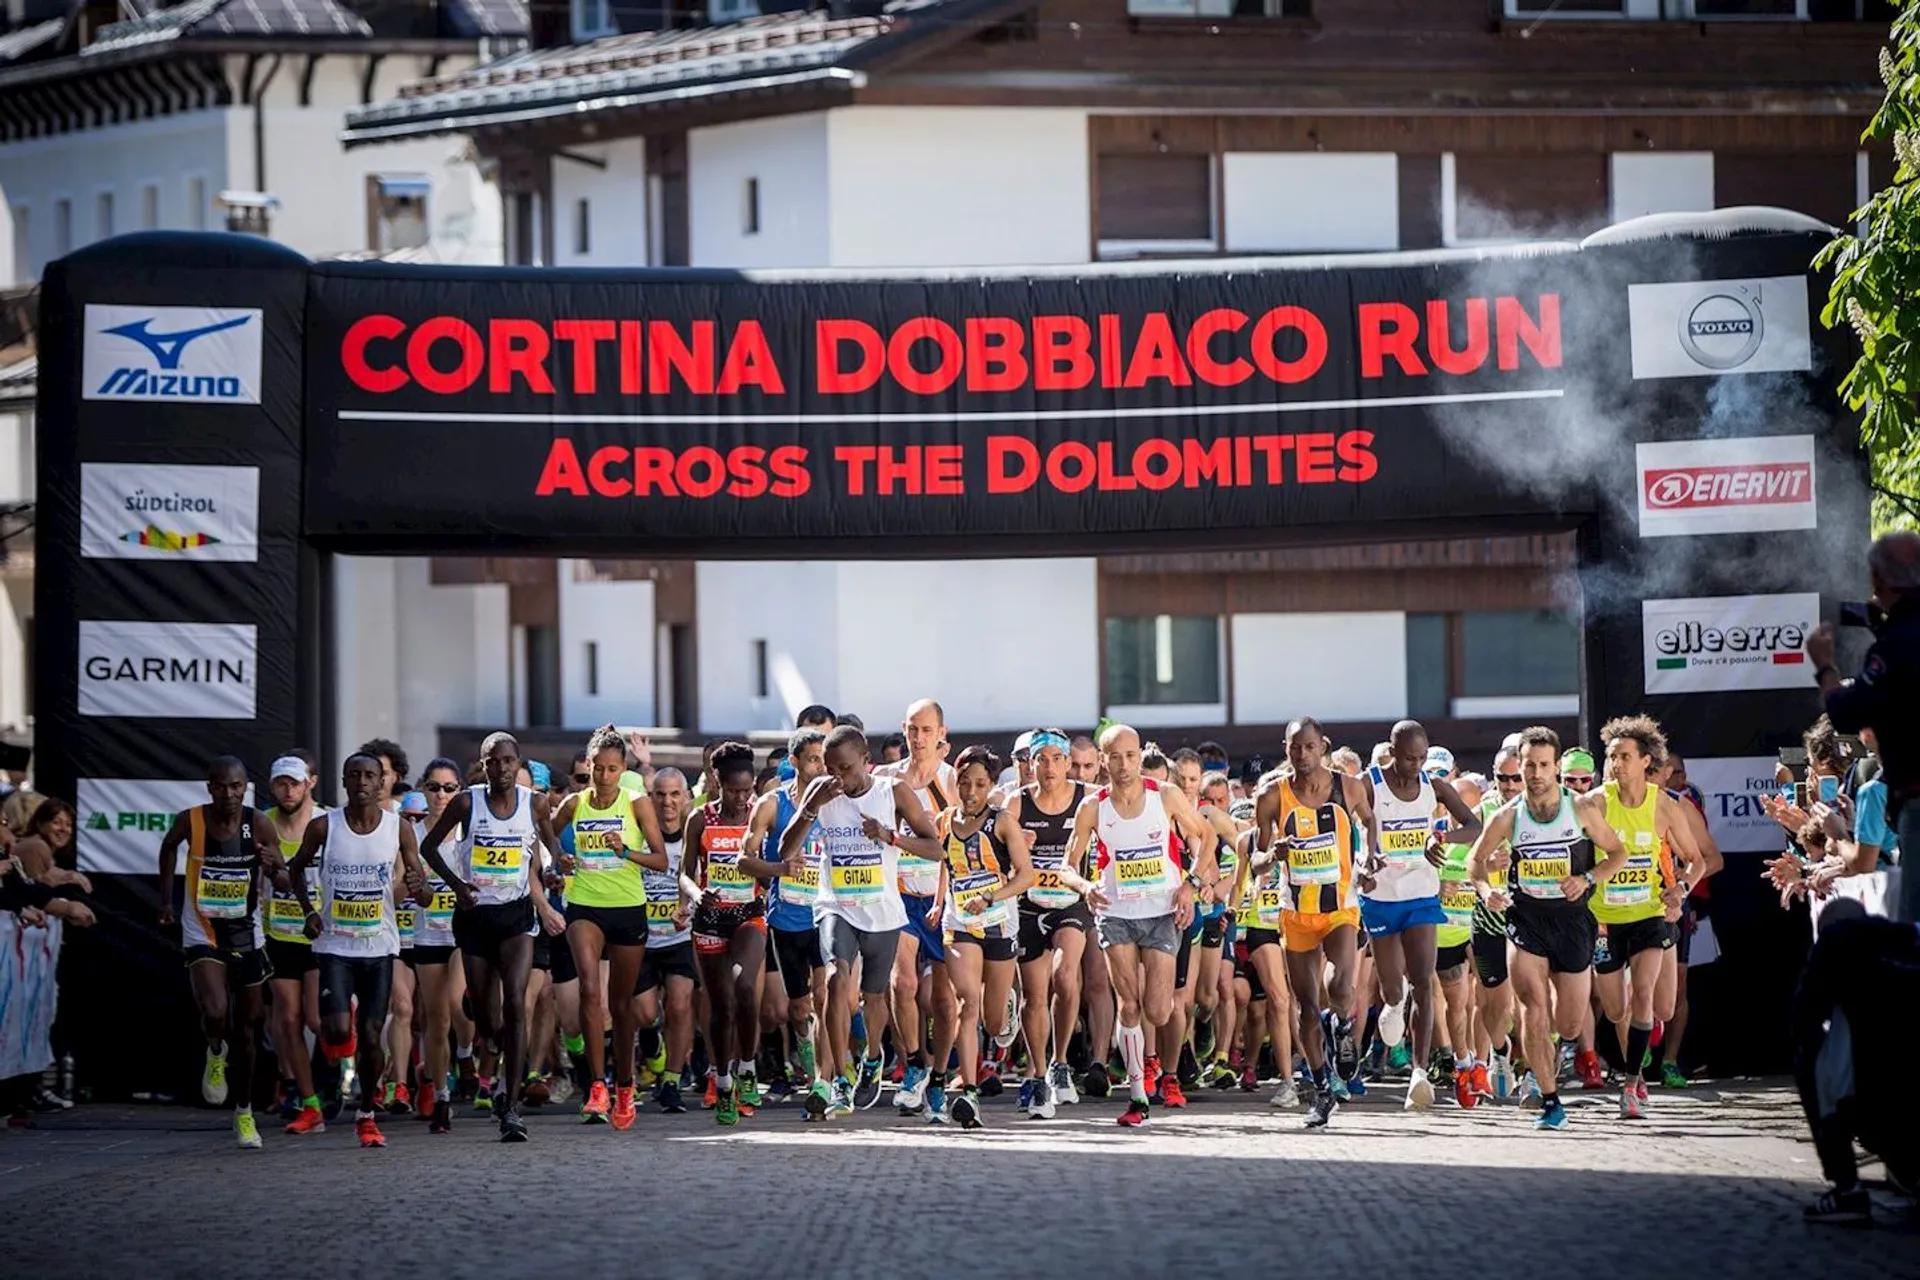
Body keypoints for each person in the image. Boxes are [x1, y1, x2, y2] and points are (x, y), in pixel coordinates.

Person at [1468, 726, 1633, 1132]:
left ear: (1557, 767)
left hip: (1572, 920)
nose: (1536, 774)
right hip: (1526, 918)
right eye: (1529, 765)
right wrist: (1487, 890)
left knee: (1570, 1023)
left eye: (1544, 765)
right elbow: (1475, 860)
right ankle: (1549, 1099)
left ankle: (1553, 1051)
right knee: (1532, 1006)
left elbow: (1618, 853)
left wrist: (1588, 879)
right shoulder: (1508, 816)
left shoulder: (1580, 809)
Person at [780, 724, 941, 1117]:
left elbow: (935, 848)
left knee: (874, 997)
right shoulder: (820, 792)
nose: (838, 777)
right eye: (831, 768)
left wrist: (890, 837)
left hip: (882, 909)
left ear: (867, 761)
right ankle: (838, 1079)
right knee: (836, 979)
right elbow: (786, 849)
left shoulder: (893, 792)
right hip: (836, 904)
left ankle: (872, 1056)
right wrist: (811, 808)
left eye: (846, 768)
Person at [1063, 724, 1217, 1128]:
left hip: (1161, 911)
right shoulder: (1093, 807)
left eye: (1131, 755)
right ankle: (1137, 1097)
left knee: (1158, 1009)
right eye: (1115, 757)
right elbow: (1067, 865)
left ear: (1139, 756)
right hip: (1115, 913)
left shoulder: (1164, 795)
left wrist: (1191, 884)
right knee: (1129, 1006)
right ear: (1103, 760)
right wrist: (1085, 887)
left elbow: (1207, 837)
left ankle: (1158, 1068)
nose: (1124, 764)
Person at [416, 732, 568, 1142]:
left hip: (516, 917)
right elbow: (429, 848)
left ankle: (510, 1106)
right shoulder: (467, 803)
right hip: (475, 918)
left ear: (518, 763)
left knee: (517, 1003)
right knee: (487, 1022)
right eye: (492, 761)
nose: (501, 768)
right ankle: (489, 1029)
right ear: (483, 766)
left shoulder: (535, 803)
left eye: (507, 761)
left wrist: (554, 870)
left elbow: (549, 847)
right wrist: (457, 886)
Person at [288, 753, 426, 1149]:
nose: (363, 782)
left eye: (370, 775)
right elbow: (295, 870)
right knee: (335, 1030)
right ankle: (341, 1021)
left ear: (382, 782)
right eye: (355, 775)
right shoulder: (323, 826)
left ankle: (366, 1114)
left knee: (370, 1036)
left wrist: (420, 886)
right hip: (335, 944)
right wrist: (309, 911)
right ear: (344, 782)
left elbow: (423, 893)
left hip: (379, 946)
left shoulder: (399, 829)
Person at [1358, 721, 1483, 1110]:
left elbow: (1473, 825)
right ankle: (1395, 1003)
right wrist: (1363, 862)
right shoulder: (1369, 784)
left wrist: (1441, 837)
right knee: (1392, 988)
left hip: (1421, 895)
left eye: (1422, 758)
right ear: (1392, 752)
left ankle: (1419, 1073)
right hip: (1380, 896)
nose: (1416, 765)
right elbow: (1346, 825)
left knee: (1424, 981)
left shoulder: (1434, 786)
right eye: (1409, 758)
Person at [157, 757, 281, 1149]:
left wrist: (272, 865)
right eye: (221, 786)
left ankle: (244, 1112)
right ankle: (215, 1050)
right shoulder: (191, 820)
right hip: (203, 931)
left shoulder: (258, 823)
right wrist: (167, 900)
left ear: (246, 788)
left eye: (236, 786)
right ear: (209, 787)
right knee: (215, 1011)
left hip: (246, 934)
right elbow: (168, 847)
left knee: (248, 1028)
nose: (228, 794)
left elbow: (281, 874)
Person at [1256, 717, 1374, 1128]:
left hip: (1340, 906)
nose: (1302, 754)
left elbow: (1370, 822)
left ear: (1323, 746)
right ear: (1285, 748)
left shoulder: (1348, 787)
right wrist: (1273, 855)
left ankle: (1342, 1026)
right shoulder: (1272, 795)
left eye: (1309, 746)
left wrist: (1369, 859)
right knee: (1306, 1009)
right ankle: (1323, 1091)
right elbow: (1256, 860)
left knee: (1339, 986)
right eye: (1295, 747)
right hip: (1296, 912)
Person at [553, 725, 669, 1131]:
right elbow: (543, 833)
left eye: (612, 769)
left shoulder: (636, 804)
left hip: (627, 908)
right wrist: (557, 858)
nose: (603, 776)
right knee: (589, 990)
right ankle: (597, 1084)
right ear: (588, 765)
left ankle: (624, 1084)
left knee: (621, 1006)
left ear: (623, 770)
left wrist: (626, 851)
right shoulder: (574, 803)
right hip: (585, 904)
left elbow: (661, 861)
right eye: (597, 768)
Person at [1591, 715, 1704, 1119]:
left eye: (1624, 756)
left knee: (1651, 999)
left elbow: (1696, 861)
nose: (1616, 764)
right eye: (1611, 756)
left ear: (1645, 761)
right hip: (1605, 919)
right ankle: (1636, 1041)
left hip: (1650, 914)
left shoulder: (1665, 806)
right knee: (1615, 1010)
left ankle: (1631, 1083)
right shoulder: (1596, 803)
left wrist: (1681, 889)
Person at [1810, 530, 1920, 922]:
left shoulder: (1896, 644)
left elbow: (1846, 713)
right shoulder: (1897, 636)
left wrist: (1824, 667)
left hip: (1916, 796)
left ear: (1877, 579)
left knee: (1914, 925)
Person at [931, 746, 1035, 1128]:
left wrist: (991, 896)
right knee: (967, 1002)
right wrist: (939, 902)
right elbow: (947, 864)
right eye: (964, 783)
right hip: (959, 922)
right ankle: (969, 1094)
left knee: (992, 1022)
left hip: (999, 923)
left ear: (991, 786)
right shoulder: (944, 821)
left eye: (979, 784)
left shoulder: (1002, 822)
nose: (971, 791)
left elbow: (1026, 875)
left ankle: (1005, 1005)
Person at [683, 742, 786, 1125]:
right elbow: (684, 873)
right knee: (721, 1004)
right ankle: (723, 1082)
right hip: (710, 918)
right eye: (733, 791)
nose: (742, 799)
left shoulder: (761, 815)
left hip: (749, 914)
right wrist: (697, 895)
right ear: (718, 783)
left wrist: (768, 871)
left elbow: (772, 867)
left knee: (745, 987)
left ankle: (747, 1068)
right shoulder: (700, 818)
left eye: (747, 791)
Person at [874, 698, 959, 1118]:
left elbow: (956, 846)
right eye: (912, 729)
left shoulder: (952, 780)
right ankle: (913, 1065)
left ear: (941, 733)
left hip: (942, 898)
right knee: (902, 983)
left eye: (926, 730)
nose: (918, 738)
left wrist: (944, 898)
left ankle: (940, 1075)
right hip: (899, 896)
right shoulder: (884, 779)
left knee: (942, 999)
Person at [1008, 729, 1098, 1118]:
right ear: (1030, 764)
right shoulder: (1017, 801)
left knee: (1065, 976)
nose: (1048, 767)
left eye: (1056, 759)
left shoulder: (1086, 799)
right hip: (1028, 906)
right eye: (1040, 760)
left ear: (1067, 763)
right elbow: (995, 847)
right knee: (1034, 995)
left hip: (1071, 903)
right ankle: (1038, 1073)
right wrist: (1015, 843)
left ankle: (1061, 1062)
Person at [748, 730, 831, 1119]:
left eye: (824, 760)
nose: (820, 767)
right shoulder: (771, 804)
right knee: (799, 1009)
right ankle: (809, 1058)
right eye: (813, 759)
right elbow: (743, 860)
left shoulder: (838, 803)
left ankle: (823, 1081)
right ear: (794, 762)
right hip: (787, 918)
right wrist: (780, 869)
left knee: (827, 996)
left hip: (828, 914)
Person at [259, 755, 327, 1133]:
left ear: (308, 784)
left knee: (316, 1020)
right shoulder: (262, 823)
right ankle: (305, 1097)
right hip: (279, 932)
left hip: (318, 932)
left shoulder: (325, 822)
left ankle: (331, 1073)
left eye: (295, 783)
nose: (288, 791)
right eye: (281, 784)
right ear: (273, 786)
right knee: (288, 1017)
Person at [405, 758, 469, 1132]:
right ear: (423, 790)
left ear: (459, 791)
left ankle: (466, 1054)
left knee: (458, 1003)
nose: (441, 795)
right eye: (433, 788)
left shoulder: (467, 832)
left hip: (463, 934)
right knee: (436, 1019)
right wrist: (411, 886)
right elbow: (396, 886)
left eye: (449, 788)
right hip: (427, 935)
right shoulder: (411, 836)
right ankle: (442, 1096)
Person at [637, 769, 697, 1114]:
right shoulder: (639, 833)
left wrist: (688, 907)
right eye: (660, 794)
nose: (668, 802)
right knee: (646, 1014)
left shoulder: (693, 834)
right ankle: (653, 1041)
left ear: (685, 797)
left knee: (680, 1005)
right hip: (642, 939)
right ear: (651, 798)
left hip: (680, 936)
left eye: (675, 794)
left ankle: (672, 1080)